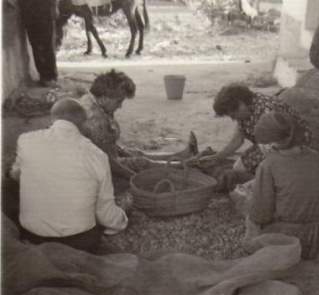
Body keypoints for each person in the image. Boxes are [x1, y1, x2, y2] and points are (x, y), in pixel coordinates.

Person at [9, 98, 128, 253]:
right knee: (107, 206)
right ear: (83, 123)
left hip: (32, 236)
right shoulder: (96, 154)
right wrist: (122, 220)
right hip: (79, 242)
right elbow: (105, 214)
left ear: (52, 118)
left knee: (9, 186)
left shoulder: (26, 140)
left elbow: (15, 176)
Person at [79, 69, 198, 181]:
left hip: (98, 156)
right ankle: (186, 166)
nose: (120, 106)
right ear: (105, 97)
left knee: (137, 154)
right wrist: (134, 177)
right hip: (95, 167)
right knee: (142, 163)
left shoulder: (91, 100)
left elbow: (106, 146)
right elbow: (109, 162)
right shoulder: (97, 119)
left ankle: (181, 156)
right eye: (118, 101)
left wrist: (126, 153)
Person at [244, 111, 319, 260]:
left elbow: (261, 214)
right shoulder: (315, 156)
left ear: (270, 144)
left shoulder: (268, 165)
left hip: (290, 237)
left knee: (249, 212)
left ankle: (250, 245)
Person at [195, 83, 311, 189]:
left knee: (254, 177)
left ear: (240, 105)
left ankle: (268, 183)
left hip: (291, 144)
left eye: (233, 114)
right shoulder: (246, 109)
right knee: (238, 168)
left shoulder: (267, 110)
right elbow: (238, 139)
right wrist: (217, 156)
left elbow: (277, 145)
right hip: (267, 145)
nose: (233, 118)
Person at [18, 0, 58, 87]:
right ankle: (45, 77)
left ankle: (51, 75)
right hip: (29, 12)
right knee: (36, 46)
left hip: (44, 10)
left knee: (47, 44)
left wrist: (55, 6)